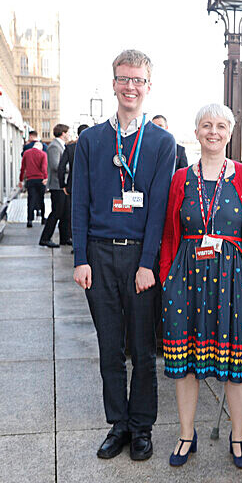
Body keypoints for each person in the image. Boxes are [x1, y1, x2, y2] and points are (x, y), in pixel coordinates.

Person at [72, 49, 175, 461]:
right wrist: (80, 258)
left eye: (138, 80)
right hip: (98, 255)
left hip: (139, 260)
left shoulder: (161, 142)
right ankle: (118, 424)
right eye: (124, 79)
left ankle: (142, 426)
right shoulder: (91, 141)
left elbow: (159, 210)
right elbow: (79, 203)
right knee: (110, 347)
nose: (130, 87)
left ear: (148, 87)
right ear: (113, 82)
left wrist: (148, 263)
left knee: (143, 350)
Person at [160, 104, 242, 468]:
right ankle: (186, 433)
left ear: (231, 132)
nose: (214, 132)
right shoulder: (180, 178)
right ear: (197, 131)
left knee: (236, 362)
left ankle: (239, 437)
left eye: (221, 126)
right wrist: (166, 279)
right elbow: (170, 233)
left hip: (235, 281)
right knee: (184, 361)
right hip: (186, 278)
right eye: (207, 125)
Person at [58, 123, 90, 250]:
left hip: (73, 186)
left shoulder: (70, 148)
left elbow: (61, 167)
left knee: (74, 214)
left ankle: (76, 243)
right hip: (91, 186)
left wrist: (63, 185)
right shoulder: (94, 146)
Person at [39, 123, 70, 248]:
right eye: (67, 132)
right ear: (62, 133)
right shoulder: (54, 146)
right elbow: (55, 165)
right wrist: (71, 167)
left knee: (65, 212)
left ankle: (64, 238)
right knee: (56, 212)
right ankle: (45, 238)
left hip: (62, 184)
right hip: (57, 185)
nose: (68, 135)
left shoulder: (61, 145)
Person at [19, 141, 47, 227]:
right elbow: (44, 167)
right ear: (40, 147)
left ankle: (29, 220)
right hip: (40, 180)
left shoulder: (26, 153)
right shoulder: (43, 154)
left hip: (30, 180)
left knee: (31, 200)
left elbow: (23, 168)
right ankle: (42, 218)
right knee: (41, 199)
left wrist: (20, 180)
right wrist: (45, 177)